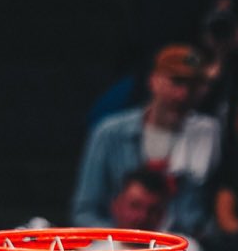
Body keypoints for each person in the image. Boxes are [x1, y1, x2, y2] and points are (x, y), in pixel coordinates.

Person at [71, 45, 221, 236]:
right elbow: (84, 211)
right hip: (115, 248)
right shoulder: (110, 133)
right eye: (176, 82)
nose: (183, 94)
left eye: (193, 86)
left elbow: (205, 216)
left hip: (179, 250)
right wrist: (124, 242)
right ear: (153, 81)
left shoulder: (207, 135)